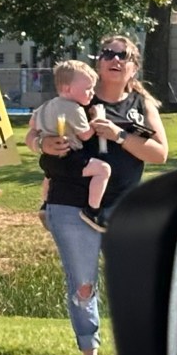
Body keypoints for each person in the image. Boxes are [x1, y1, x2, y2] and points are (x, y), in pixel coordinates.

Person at [25, 35, 168, 355]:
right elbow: (33, 135)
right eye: (108, 53)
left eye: (124, 55)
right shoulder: (77, 95)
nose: (115, 59)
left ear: (134, 66)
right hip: (72, 205)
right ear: (98, 62)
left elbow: (160, 154)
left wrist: (118, 134)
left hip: (124, 208)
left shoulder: (141, 105)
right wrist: (43, 143)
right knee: (83, 282)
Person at [31, 60, 111, 232]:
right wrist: (97, 119)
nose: (92, 93)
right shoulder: (74, 108)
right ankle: (93, 211)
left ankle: (45, 205)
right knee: (103, 170)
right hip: (69, 156)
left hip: (47, 158)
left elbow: (33, 125)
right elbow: (86, 135)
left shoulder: (44, 106)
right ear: (67, 88)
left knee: (50, 176)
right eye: (88, 88)